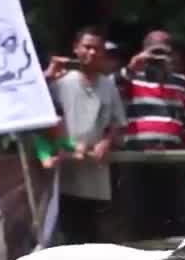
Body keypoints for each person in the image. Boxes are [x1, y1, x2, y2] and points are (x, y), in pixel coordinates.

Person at [113, 29, 185, 241]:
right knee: (138, 214)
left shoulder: (181, 82)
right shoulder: (131, 78)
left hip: (172, 158)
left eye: (163, 52)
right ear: (143, 52)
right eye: (153, 52)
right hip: (137, 157)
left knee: (173, 215)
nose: (158, 57)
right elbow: (108, 90)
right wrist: (131, 67)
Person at [42, 26, 128, 244]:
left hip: (95, 174)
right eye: (87, 47)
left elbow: (117, 123)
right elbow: (39, 125)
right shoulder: (59, 82)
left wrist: (106, 143)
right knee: (64, 236)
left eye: (97, 49)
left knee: (93, 238)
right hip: (62, 171)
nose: (91, 53)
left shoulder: (108, 85)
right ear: (76, 49)